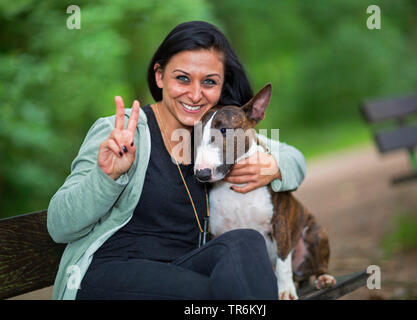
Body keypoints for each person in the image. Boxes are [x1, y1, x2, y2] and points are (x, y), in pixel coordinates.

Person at [47, 21, 307, 300]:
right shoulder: (122, 131)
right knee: (219, 295)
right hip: (112, 272)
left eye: (209, 81)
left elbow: (294, 157)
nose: (195, 95)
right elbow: (58, 225)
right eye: (182, 78)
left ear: (221, 86)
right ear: (159, 77)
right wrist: (106, 178)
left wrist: (274, 166)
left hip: (184, 267)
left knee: (246, 242)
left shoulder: (216, 127)